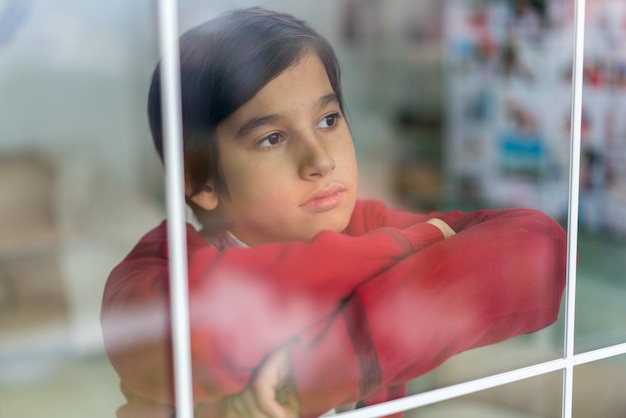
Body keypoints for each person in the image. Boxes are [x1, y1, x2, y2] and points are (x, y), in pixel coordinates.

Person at [100, 7, 567, 418]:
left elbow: (541, 251)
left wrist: (320, 374)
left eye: (328, 120)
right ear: (198, 181)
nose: (321, 160)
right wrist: (411, 250)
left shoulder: (364, 225)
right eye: (272, 138)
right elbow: (220, 324)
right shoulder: (151, 276)